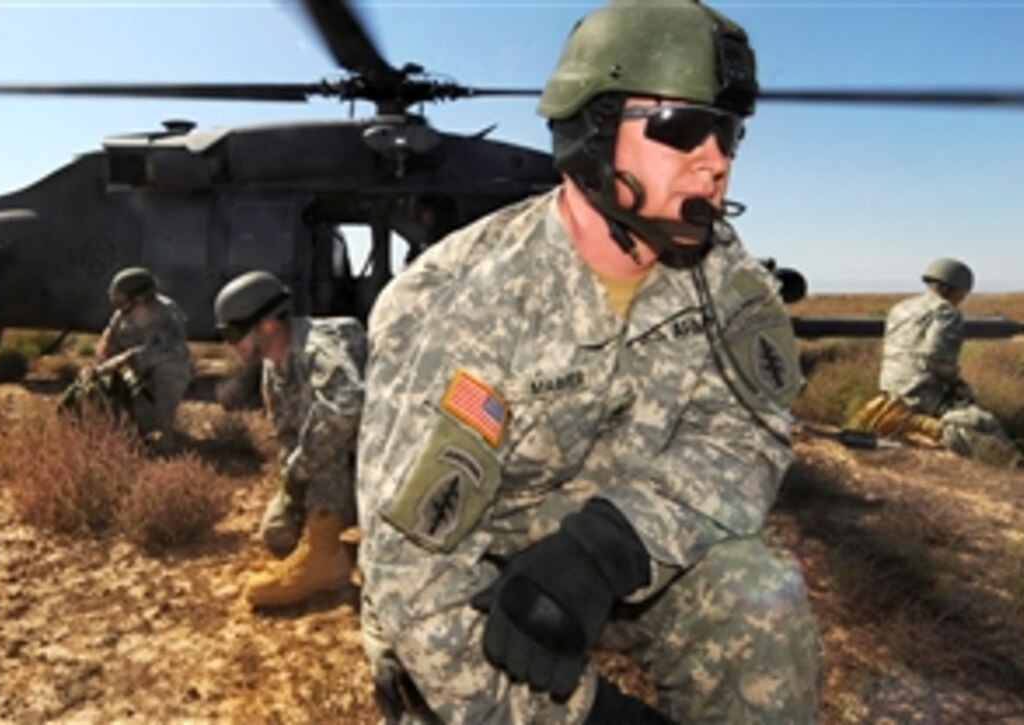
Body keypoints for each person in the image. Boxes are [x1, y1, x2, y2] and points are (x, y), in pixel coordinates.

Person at [356, 1, 821, 721]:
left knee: (756, 595)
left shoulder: (727, 278)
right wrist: (593, 716)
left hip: (627, 556)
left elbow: (748, 434)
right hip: (468, 581)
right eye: (682, 128)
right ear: (591, 131)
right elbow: (413, 579)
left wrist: (614, 543)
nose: (717, 160)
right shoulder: (456, 302)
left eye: (728, 132)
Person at [214, 271, 367, 609]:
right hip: (341, 475)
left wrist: (299, 471)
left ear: (268, 325)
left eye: (233, 331)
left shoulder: (317, 347)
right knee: (277, 532)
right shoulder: (273, 367)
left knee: (326, 434)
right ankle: (327, 534)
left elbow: (347, 406)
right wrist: (290, 490)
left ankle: (325, 557)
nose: (229, 343)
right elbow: (288, 438)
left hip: (374, 466)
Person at [850, 257, 1015, 458]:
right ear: (956, 289)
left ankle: (901, 416)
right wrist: (957, 383)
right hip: (921, 391)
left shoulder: (901, 308)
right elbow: (937, 359)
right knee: (984, 424)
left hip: (890, 387)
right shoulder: (946, 312)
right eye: (963, 293)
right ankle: (919, 425)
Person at [91, 266, 192, 452]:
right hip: (136, 372)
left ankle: (164, 439)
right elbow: (108, 342)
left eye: (121, 299)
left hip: (167, 370)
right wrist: (98, 367)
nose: (118, 306)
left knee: (168, 377)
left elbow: (172, 350)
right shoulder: (122, 315)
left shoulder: (167, 313)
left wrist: (129, 357)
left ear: (140, 299)